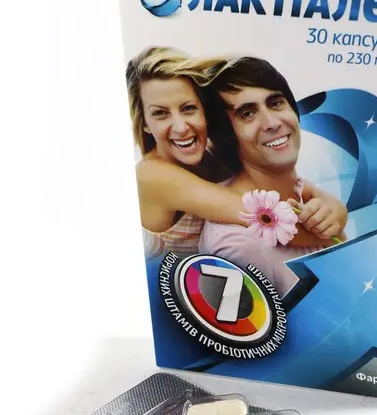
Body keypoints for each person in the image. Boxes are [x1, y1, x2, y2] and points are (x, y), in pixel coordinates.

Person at [126, 47, 346, 257]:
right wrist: (332, 234)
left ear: (204, 112)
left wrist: (334, 209)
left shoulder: (208, 156)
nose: (181, 127)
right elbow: (268, 221)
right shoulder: (152, 175)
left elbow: (297, 185)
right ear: (144, 123)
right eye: (160, 113)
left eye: (188, 108)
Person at [199, 57, 346, 294]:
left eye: (276, 103)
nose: (272, 123)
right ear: (225, 136)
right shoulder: (240, 245)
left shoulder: (306, 195)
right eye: (247, 113)